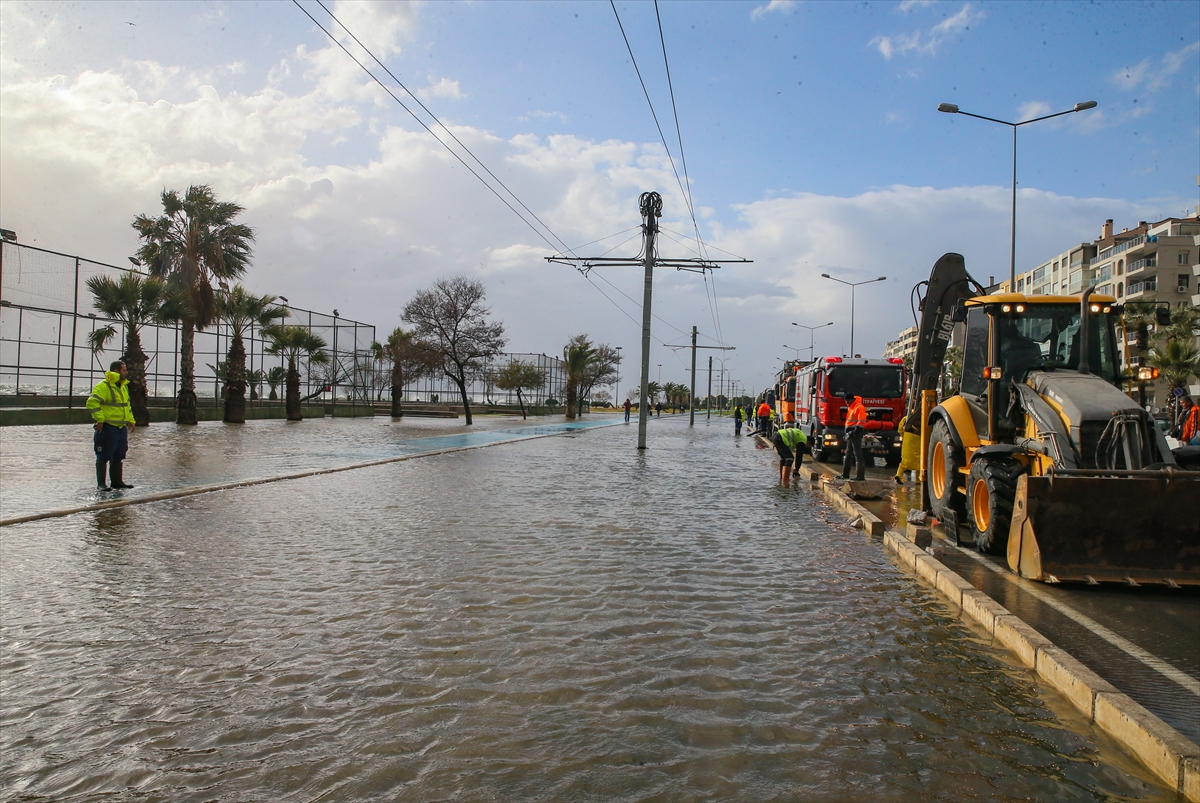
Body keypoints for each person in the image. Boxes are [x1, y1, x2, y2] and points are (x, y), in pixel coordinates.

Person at [86, 360, 136, 490]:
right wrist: (100, 420)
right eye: (124, 370)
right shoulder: (104, 386)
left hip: (120, 428)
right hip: (108, 427)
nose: (126, 372)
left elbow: (127, 405)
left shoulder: (123, 386)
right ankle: (101, 484)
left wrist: (131, 420)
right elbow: (92, 402)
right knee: (103, 455)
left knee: (119, 454)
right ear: (116, 371)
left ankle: (117, 481)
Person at [837, 392, 867, 482]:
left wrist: (854, 432)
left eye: (847, 401)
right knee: (848, 454)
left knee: (857, 454)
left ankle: (860, 476)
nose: (846, 403)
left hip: (855, 433)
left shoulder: (859, 407)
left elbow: (861, 422)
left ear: (851, 399)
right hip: (850, 433)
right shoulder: (851, 407)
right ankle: (845, 474)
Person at [894, 414, 921, 484]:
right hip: (917, 440)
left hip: (907, 439)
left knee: (904, 460)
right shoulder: (922, 419)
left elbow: (900, 429)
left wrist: (904, 436)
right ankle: (918, 480)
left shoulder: (906, 418)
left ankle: (898, 475)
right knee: (919, 461)